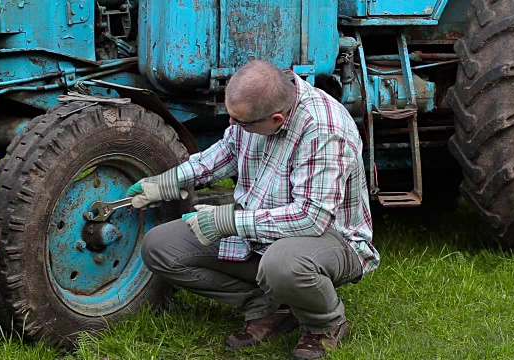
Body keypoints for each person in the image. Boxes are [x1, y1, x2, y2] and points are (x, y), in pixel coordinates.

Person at [126, 60, 380, 359]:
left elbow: (311, 218)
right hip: (262, 227)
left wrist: (228, 221)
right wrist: (168, 181)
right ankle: (268, 308)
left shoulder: (324, 131)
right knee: (160, 247)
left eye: (241, 123)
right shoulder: (256, 109)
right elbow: (226, 152)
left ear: (276, 119)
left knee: (282, 265)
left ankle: (324, 324)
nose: (233, 126)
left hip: (331, 239)